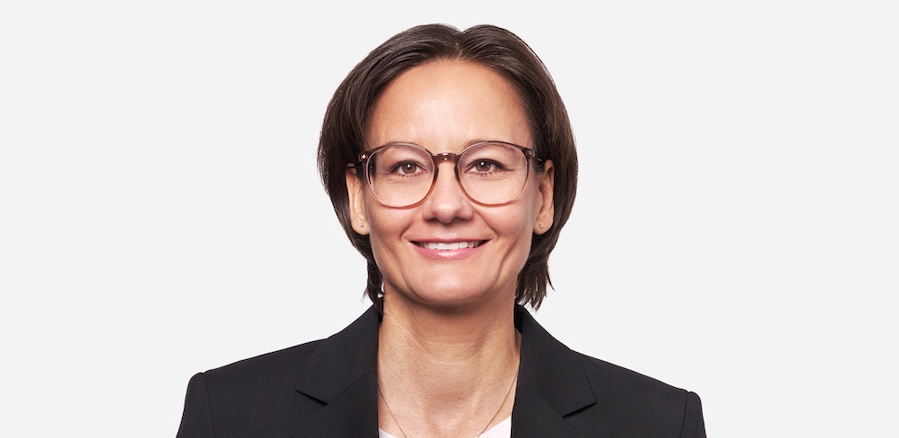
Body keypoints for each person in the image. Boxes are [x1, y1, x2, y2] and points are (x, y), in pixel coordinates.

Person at [175, 23, 706, 438]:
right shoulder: (230, 417)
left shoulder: (658, 426)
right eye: (406, 166)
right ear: (358, 198)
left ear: (543, 196)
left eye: (487, 164)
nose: (446, 205)